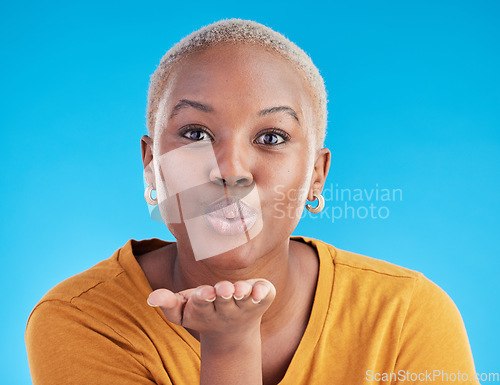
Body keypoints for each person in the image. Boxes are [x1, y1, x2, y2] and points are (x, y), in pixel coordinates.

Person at [25, 19, 479, 385]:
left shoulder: (406, 314)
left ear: (316, 176)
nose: (230, 171)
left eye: (271, 137)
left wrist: (232, 340)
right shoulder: (82, 320)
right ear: (152, 165)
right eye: (196, 134)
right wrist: (230, 346)